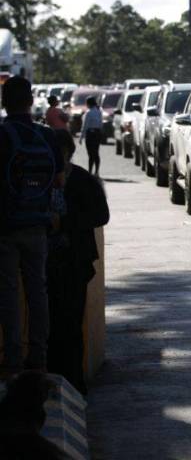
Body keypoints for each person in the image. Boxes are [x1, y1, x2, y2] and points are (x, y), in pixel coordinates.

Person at [0, 76, 64, 377]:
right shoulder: (46, 135)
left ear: (4, 102)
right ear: (30, 101)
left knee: (8, 293)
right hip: (38, 225)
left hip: (5, 227)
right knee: (38, 291)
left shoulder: (2, 135)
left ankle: (13, 358)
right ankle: (39, 356)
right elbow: (59, 180)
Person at [47, 130, 108, 394]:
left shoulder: (83, 180)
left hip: (74, 262)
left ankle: (74, 382)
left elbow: (101, 215)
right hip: (44, 263)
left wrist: (65, 223)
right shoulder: (40, 180)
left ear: (67, 154)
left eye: (59, 154)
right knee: (49, 326)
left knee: (71, 324)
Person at [79, 96, 102, 175]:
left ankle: (90, 171)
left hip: (90, 134)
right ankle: (96, 171)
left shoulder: (88, 113)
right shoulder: (99, 111)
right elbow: (100, 124)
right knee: (96, 153)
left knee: (90, 154)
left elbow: (85, 125)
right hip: (97, 133)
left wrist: (81, 137)